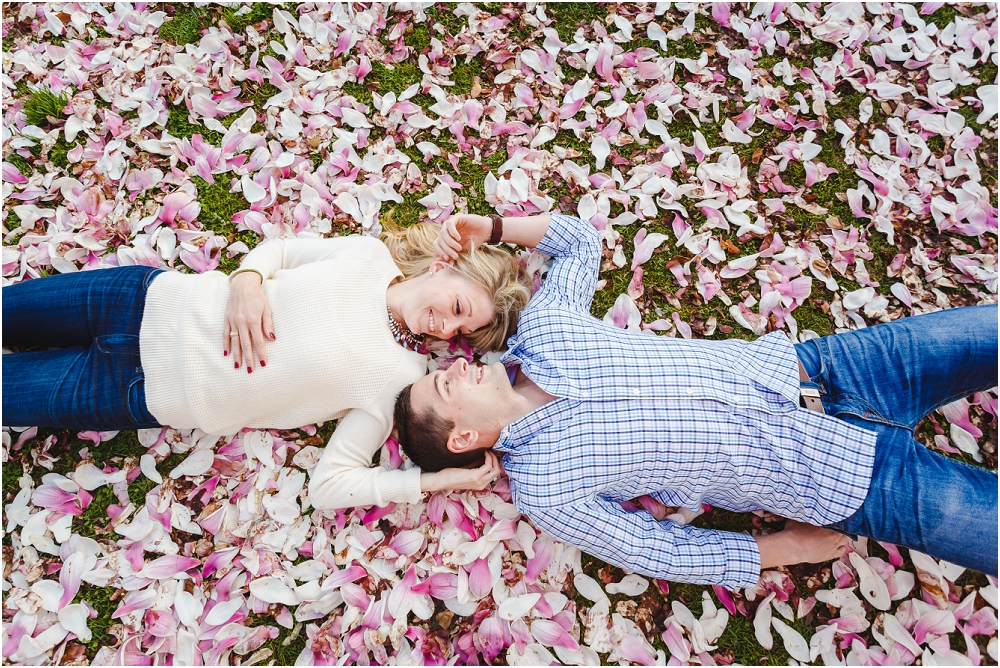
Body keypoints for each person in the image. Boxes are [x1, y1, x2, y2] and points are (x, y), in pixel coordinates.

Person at [394, 211, 998, 588]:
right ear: (462, 439)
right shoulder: (547, 490)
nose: (462, 364)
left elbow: (580, 242)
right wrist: (779, 550)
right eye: (448, 384)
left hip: (842, 367)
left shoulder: (544, 333)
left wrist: (490, 229)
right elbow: (656, 548)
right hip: (851, 483)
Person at [3, 222, 530, 510]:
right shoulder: (367, 257)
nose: (444, 330)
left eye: (460, 333)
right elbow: (277, 252)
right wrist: (247, 282)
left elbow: (332, 485)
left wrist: (432, 483)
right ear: (443, 268)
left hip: (133, 390)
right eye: (457, 308)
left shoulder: (402, 378)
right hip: (140, 300)